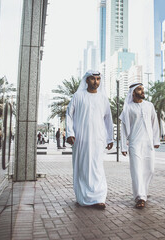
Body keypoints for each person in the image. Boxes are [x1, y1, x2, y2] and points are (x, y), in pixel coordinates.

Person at [66, 70, 113, 210]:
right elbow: (69, 114)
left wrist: (110, 138)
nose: (96, 82)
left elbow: (108, 120)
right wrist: (70, 133)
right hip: (81, 139)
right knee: (82, 168)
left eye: (98, 79)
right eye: (93, 79)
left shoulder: (103, 98)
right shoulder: (78, 96)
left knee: (97, 167)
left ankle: (99, 197)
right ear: (87, 80)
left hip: (98, 139)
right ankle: (83, 197)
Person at [120, 83, 160, 209]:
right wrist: (123, 146)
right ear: (133, 92)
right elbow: (123, 128)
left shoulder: (149, 105)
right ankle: (140, 197)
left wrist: (156, 140)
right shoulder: (128, 108)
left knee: (150, 170)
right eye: (139, 89)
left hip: (148, 143)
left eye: (142, 89)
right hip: (134, 143)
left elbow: (155, 123)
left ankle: (144, 192)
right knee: (137, 171)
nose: (142, 91)